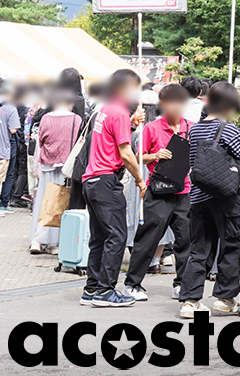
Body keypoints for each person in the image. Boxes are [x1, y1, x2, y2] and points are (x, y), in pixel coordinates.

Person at [179, 81, 240, 318]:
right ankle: (225, 298)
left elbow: (193, 163)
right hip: (226, 198)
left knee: (199, 249)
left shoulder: (195, 130)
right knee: (230, 246)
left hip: (199, 198)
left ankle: (190, 301)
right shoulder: (229, 130)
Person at [79, 68, 145, 307]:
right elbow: (125, 153)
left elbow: (111, 138)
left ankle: (92, 289)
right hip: (106, 181)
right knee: (117, 236)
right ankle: (106, 291)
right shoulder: (118, 112)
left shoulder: (106, 109)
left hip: (92, 180)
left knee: (100, 237)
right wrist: (139, 179)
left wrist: (131, 123)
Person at [123, 83, 192, 302]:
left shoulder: (191, 128)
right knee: (147, 239)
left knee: (186, 240)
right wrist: (155, 155)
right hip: (158, 192)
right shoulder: (152, 128)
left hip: (184, 191)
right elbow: (138, 156)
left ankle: (182, 284)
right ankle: (132, 284)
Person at [30, 88, 80, 252]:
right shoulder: (76, 119)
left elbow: (40, 141)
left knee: (43, 201)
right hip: (66, 167)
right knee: (61, 202)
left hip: (47, 164)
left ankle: (37, 239)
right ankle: (55, 242)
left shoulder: (46, 118)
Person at [0, 85, 22, 214]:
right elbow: (13, 129)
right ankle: (3, 204)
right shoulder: (10, 108)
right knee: (7, 176)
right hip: (4, 147)